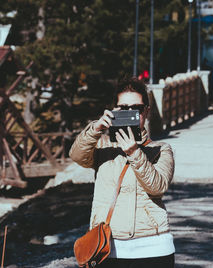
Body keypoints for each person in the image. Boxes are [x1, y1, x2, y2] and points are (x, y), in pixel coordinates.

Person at [69, 77, 175, 268]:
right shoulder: (102, 146)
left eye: (137, 108)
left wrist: (134, 152)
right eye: (123, 108)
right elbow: (76, 156)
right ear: (113, 111)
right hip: (106, 247)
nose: (130, 113)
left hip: (153, 247)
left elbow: (157, 188)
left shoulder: (160, 149)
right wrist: (95, 129)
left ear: (147, 112)